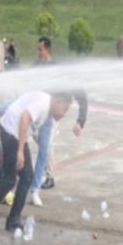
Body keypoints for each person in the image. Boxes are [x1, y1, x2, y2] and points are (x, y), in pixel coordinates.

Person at [0, 91, 72, 234]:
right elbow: (25, 116)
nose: (64, 114)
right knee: (9, 180)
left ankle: (13, 219)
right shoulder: (44, 103)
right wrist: (20, 151)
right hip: (11, 133)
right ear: (58, 101)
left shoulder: (47, 107)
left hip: (14, 134)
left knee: (26, 177)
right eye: (65, 109)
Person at [33, 36, 87, 192]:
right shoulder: (36, 65)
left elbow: (82, 97)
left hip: (53, 113)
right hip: (37, 111)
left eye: (40, 49)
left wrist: (80, 121)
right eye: (38, 49)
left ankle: (49, 176)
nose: (38, 53)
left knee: (47, 143)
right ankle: (33, 171)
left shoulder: (57, 69)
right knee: (39, 140)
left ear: (47, 49)